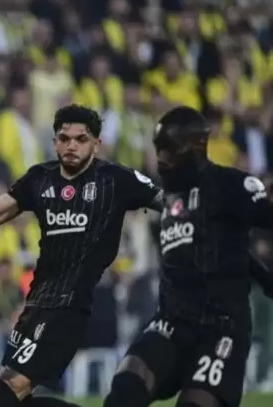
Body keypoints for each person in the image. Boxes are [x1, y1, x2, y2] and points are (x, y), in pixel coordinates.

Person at [0, 104, 163, 407]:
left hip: (71, 305)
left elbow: (172, 203)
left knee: (7, 393)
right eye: (64, 138)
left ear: (97, 144)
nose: (71, 145)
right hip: (36, 306)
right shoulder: (39, 179)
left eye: (81, 139)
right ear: (55, 142)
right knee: (5, 399)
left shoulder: (115, 179)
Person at [100, 106, 273, 407]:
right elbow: (219, 251)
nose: (161, 159)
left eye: (168, 150)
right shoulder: (166, 199)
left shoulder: (232, 184)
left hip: (222, 326)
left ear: (194, 147)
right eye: (158, 149)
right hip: (172, 321)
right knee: (126, 385)